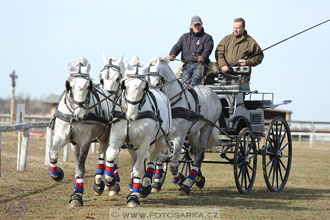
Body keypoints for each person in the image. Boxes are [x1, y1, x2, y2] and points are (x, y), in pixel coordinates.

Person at [215, 17, 264, 82]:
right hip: (225, 76)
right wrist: (223, 65)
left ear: (243, 28)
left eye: (238, 28)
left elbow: (259, 56)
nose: (235, 30)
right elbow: (219, 52)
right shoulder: (226, 39)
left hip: (242, 78)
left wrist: (247, 62)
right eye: (234, 27)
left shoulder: (250, 41)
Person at [169, 15, 214, 85]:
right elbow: (177, 46)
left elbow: (208, 49)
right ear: (191, 25)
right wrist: (172, 54)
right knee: (185, 82)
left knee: (195, 81)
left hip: (200, 65)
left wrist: (203, 57)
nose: (197, 26)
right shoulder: (185, 37)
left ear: (201, 24)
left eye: (198, 24)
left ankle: (196, 95)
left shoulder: (207, 37)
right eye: (195, 25)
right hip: (187, 65)